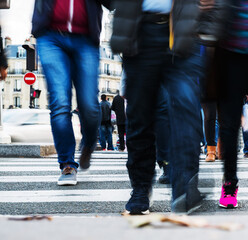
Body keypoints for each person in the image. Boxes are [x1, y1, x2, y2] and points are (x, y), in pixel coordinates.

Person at [112, 0, 206, 214]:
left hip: (181, 29)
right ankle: (141, 188)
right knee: (139, 118)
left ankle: (184, 185)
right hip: (140, 31)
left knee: (186, 112)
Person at [32, 0, 110, 186]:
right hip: (50, 37)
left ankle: (89, 143)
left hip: (85, 38)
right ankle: (67, 164)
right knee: (60, 103)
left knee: (90, 106)